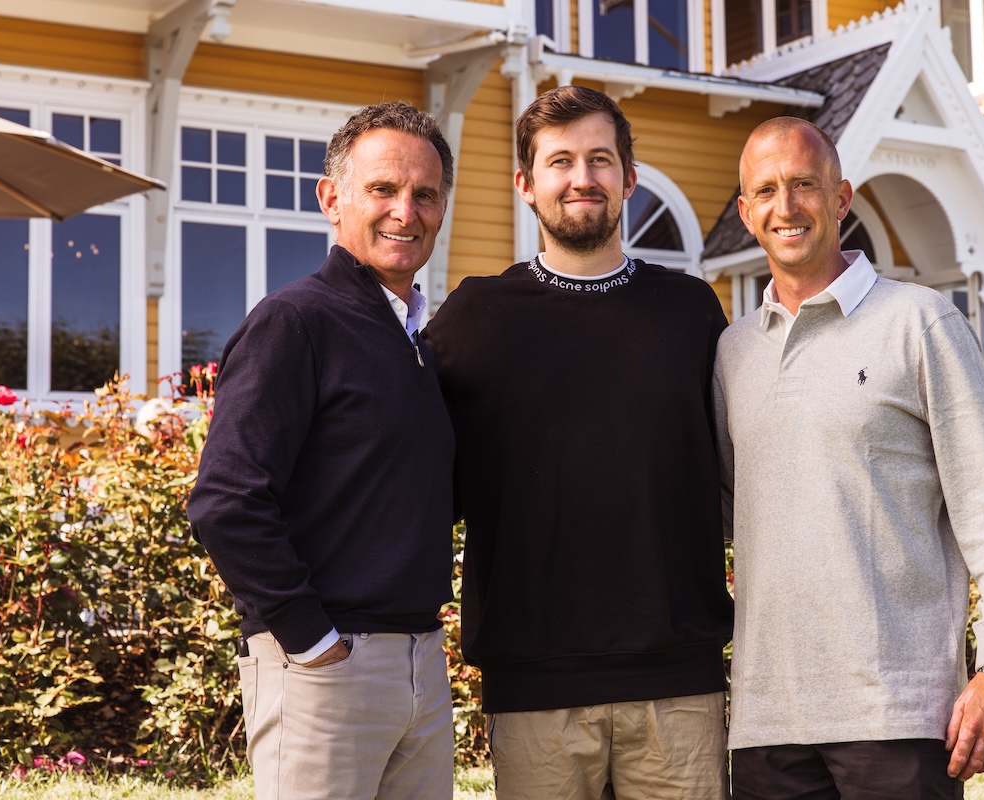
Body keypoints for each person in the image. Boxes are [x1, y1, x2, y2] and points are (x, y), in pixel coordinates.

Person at [713, 116, 984, 798]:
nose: (787, 206)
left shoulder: (919, 322)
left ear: (841, 198)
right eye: (767, 190)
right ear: (746, 213)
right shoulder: (733, 353)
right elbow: (726, 512)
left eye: (805, 184)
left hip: (899, 717)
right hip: (766, 723)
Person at [423, 85, 734, 800]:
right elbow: (410, 467)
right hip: (534, 684)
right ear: (527, 185)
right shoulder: (476, 319)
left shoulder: (689, 313)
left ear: (630, 176)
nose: (582, 177)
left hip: (677, 682)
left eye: (600, 158)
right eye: (559, 161)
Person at [188, 101, 457, 800]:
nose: (407, 211)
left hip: (420, 666)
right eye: (383, 190)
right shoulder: (295, 322)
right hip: (326, 669)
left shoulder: (413, 338)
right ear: (332, 199)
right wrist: (314, 643)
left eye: (425, 195)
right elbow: (225, 502)